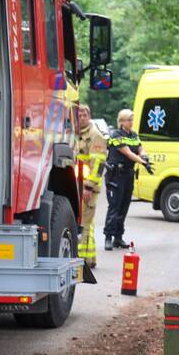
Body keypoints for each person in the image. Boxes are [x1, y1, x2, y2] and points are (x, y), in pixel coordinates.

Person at [104, 109, 152, 251]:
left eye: (132, 119)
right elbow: (128, 152)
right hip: (116, 175)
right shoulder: (116, 135)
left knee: (124, 206)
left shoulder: (134, 135)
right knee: (114, 206)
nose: (131, 122)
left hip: (128, 175)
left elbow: (139, 149)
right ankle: (108, 236)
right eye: (129, 120)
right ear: (122, 121)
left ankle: (118, 237)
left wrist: (145, 157)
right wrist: (142, 162)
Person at [75, 104, 107, 268]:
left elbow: (98, 164)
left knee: (84, 224)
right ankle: (91, 259)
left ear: (90, 116)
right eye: (79, 114)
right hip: (77, 185)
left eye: (85, 115)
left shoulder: (95, 136)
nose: (82, 117)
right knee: (87, 223)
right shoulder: (76, 134)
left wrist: (88, 186)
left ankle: (83, 260)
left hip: (87, 188)